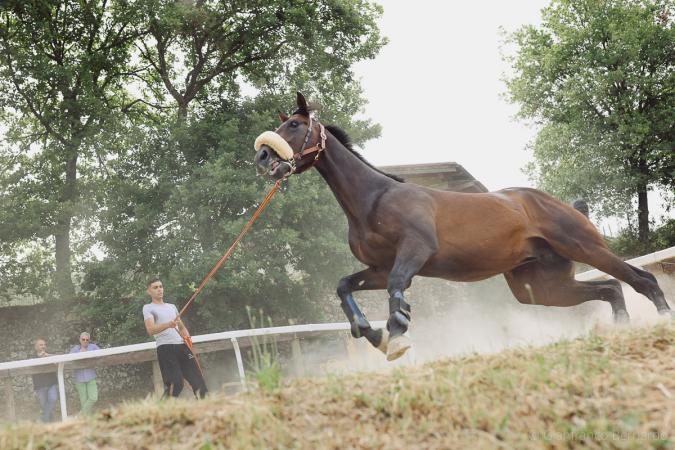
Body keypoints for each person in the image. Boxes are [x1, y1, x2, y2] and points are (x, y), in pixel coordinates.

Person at [143, 278, 207, 399]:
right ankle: (163, 410)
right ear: (149, 291)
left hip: (182, 347)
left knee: (199, 383)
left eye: (161, 286)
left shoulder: (172, 307)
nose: (159, 289)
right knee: (176, 384)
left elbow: (181, 327)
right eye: (155, 287)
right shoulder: (148, 308)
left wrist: (188, 340)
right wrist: (168, 324)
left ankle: (206, 410)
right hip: (166, 349)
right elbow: (150, 330)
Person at [69, 332, 100, 415]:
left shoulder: (93, 347)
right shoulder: (75, 349)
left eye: (87, 340)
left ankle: (80, 415)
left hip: (91, 377)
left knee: (93, 398)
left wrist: (90, 354)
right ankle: (87, 420)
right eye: (83, 339)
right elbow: (70, 358)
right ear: (80, 340)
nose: (85, 341)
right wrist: (80, 353)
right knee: (84, 401)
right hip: (79, 379)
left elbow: (100, 354)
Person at [32, 338, 58, 422]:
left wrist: (48, 356)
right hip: (40, 386)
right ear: (36, 347)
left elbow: (59, 360)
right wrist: (40, 358)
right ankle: (50, 422)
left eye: (44, 344)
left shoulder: (49, 355)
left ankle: (43, 419)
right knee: (44, 405)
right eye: (41, 345)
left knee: (53, 399)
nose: (43, 346)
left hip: (51, 383)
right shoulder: (32, 357)